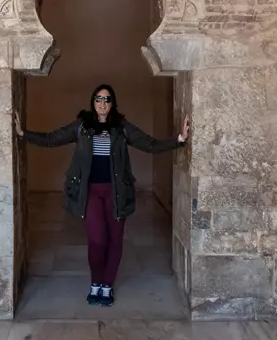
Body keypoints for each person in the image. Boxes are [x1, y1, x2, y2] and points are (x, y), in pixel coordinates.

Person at [14, 83, 190, 307]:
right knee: (97, 240)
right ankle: (95, 281)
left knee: (115, 240)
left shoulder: (121, 127)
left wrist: (179, 139)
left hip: (117, 191)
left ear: (112, 103)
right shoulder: (82, 126)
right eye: (98, 99)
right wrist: (23, 133)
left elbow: (150, 144)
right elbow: (51, 138)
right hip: (91, 192)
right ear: (93, 102)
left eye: (107, 99)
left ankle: (106, 284)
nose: (102, 103)